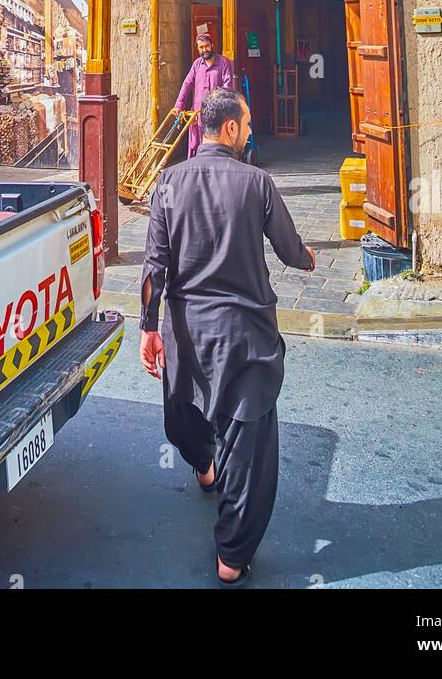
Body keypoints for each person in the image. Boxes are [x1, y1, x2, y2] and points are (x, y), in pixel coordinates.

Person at [140, 87, 316, 587]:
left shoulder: (168, 182)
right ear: (232, 129)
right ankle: (231, 557)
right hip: (245, 338)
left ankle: (203, 466)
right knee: (248, 447)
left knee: (187, 412)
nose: (250, 130)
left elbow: (155, 267)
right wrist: (307, 258)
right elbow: (287, 248)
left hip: (186, 332)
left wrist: (149, 328)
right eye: (249, 121)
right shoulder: (257, 183)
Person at [172, 24, 235, 157]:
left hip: (216, 113)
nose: (204, 50)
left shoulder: (224, 62)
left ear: (211, 45)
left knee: (213, 146)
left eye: (206, 46)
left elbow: (227, 87)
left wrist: (220, 107)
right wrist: (179, 105)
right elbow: (187, 84)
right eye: (201, 47)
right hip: (197, 113)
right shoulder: (196, 64)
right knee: (196, 145)